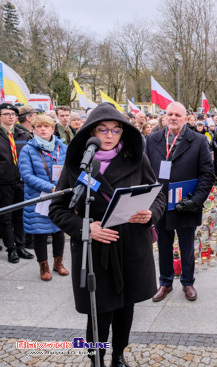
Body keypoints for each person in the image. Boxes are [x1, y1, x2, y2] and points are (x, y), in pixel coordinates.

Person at [49, 102, 165, 366]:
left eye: (115, 130)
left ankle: (118, 354)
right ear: (91, 132)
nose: (110, 135)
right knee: (98, 312)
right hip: (95, 251)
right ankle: (97, 358)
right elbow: (57, 208)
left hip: (132, 245)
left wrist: (151, 214)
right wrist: (85, 228)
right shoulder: (77, 163)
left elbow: (158, 195)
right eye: (103, 130)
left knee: (126, 307)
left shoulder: (137, 158)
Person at [145, 102, 215, 303]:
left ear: (185, 118)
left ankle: (187, 282)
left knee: (186, 246)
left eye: (178, 114)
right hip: (159, 204)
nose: (173, 117)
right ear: (165, 117)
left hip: (186, 203)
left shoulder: (199, 141)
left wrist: (197, 201)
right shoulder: (152, 140)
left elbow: (207, 175)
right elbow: (145, 171)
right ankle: (165, 282)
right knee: (164, 245)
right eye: (170, 114)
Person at [19, 115, 69, 281]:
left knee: (58, 231)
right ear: (33, 129)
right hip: (39, 197)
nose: (43, 129)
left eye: (46, 126)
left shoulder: (62, 148)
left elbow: (69, 169)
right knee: (40, 233)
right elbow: (26, 175)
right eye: (39, 126)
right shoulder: (28, 149)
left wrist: (62, 187)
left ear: (52, 129)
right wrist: (50, 188)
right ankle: (44, 267)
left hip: (59, 196)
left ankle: (58, 263)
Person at [0, 103, 35, 263]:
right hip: (3, 183)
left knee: (20, 216)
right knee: (6, 217)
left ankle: (20, 246)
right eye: (6, 114)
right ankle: (11, 249)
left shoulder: (22, 134)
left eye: (13, 114)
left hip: (21, 182)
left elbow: (30, 157)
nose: (11, 116)